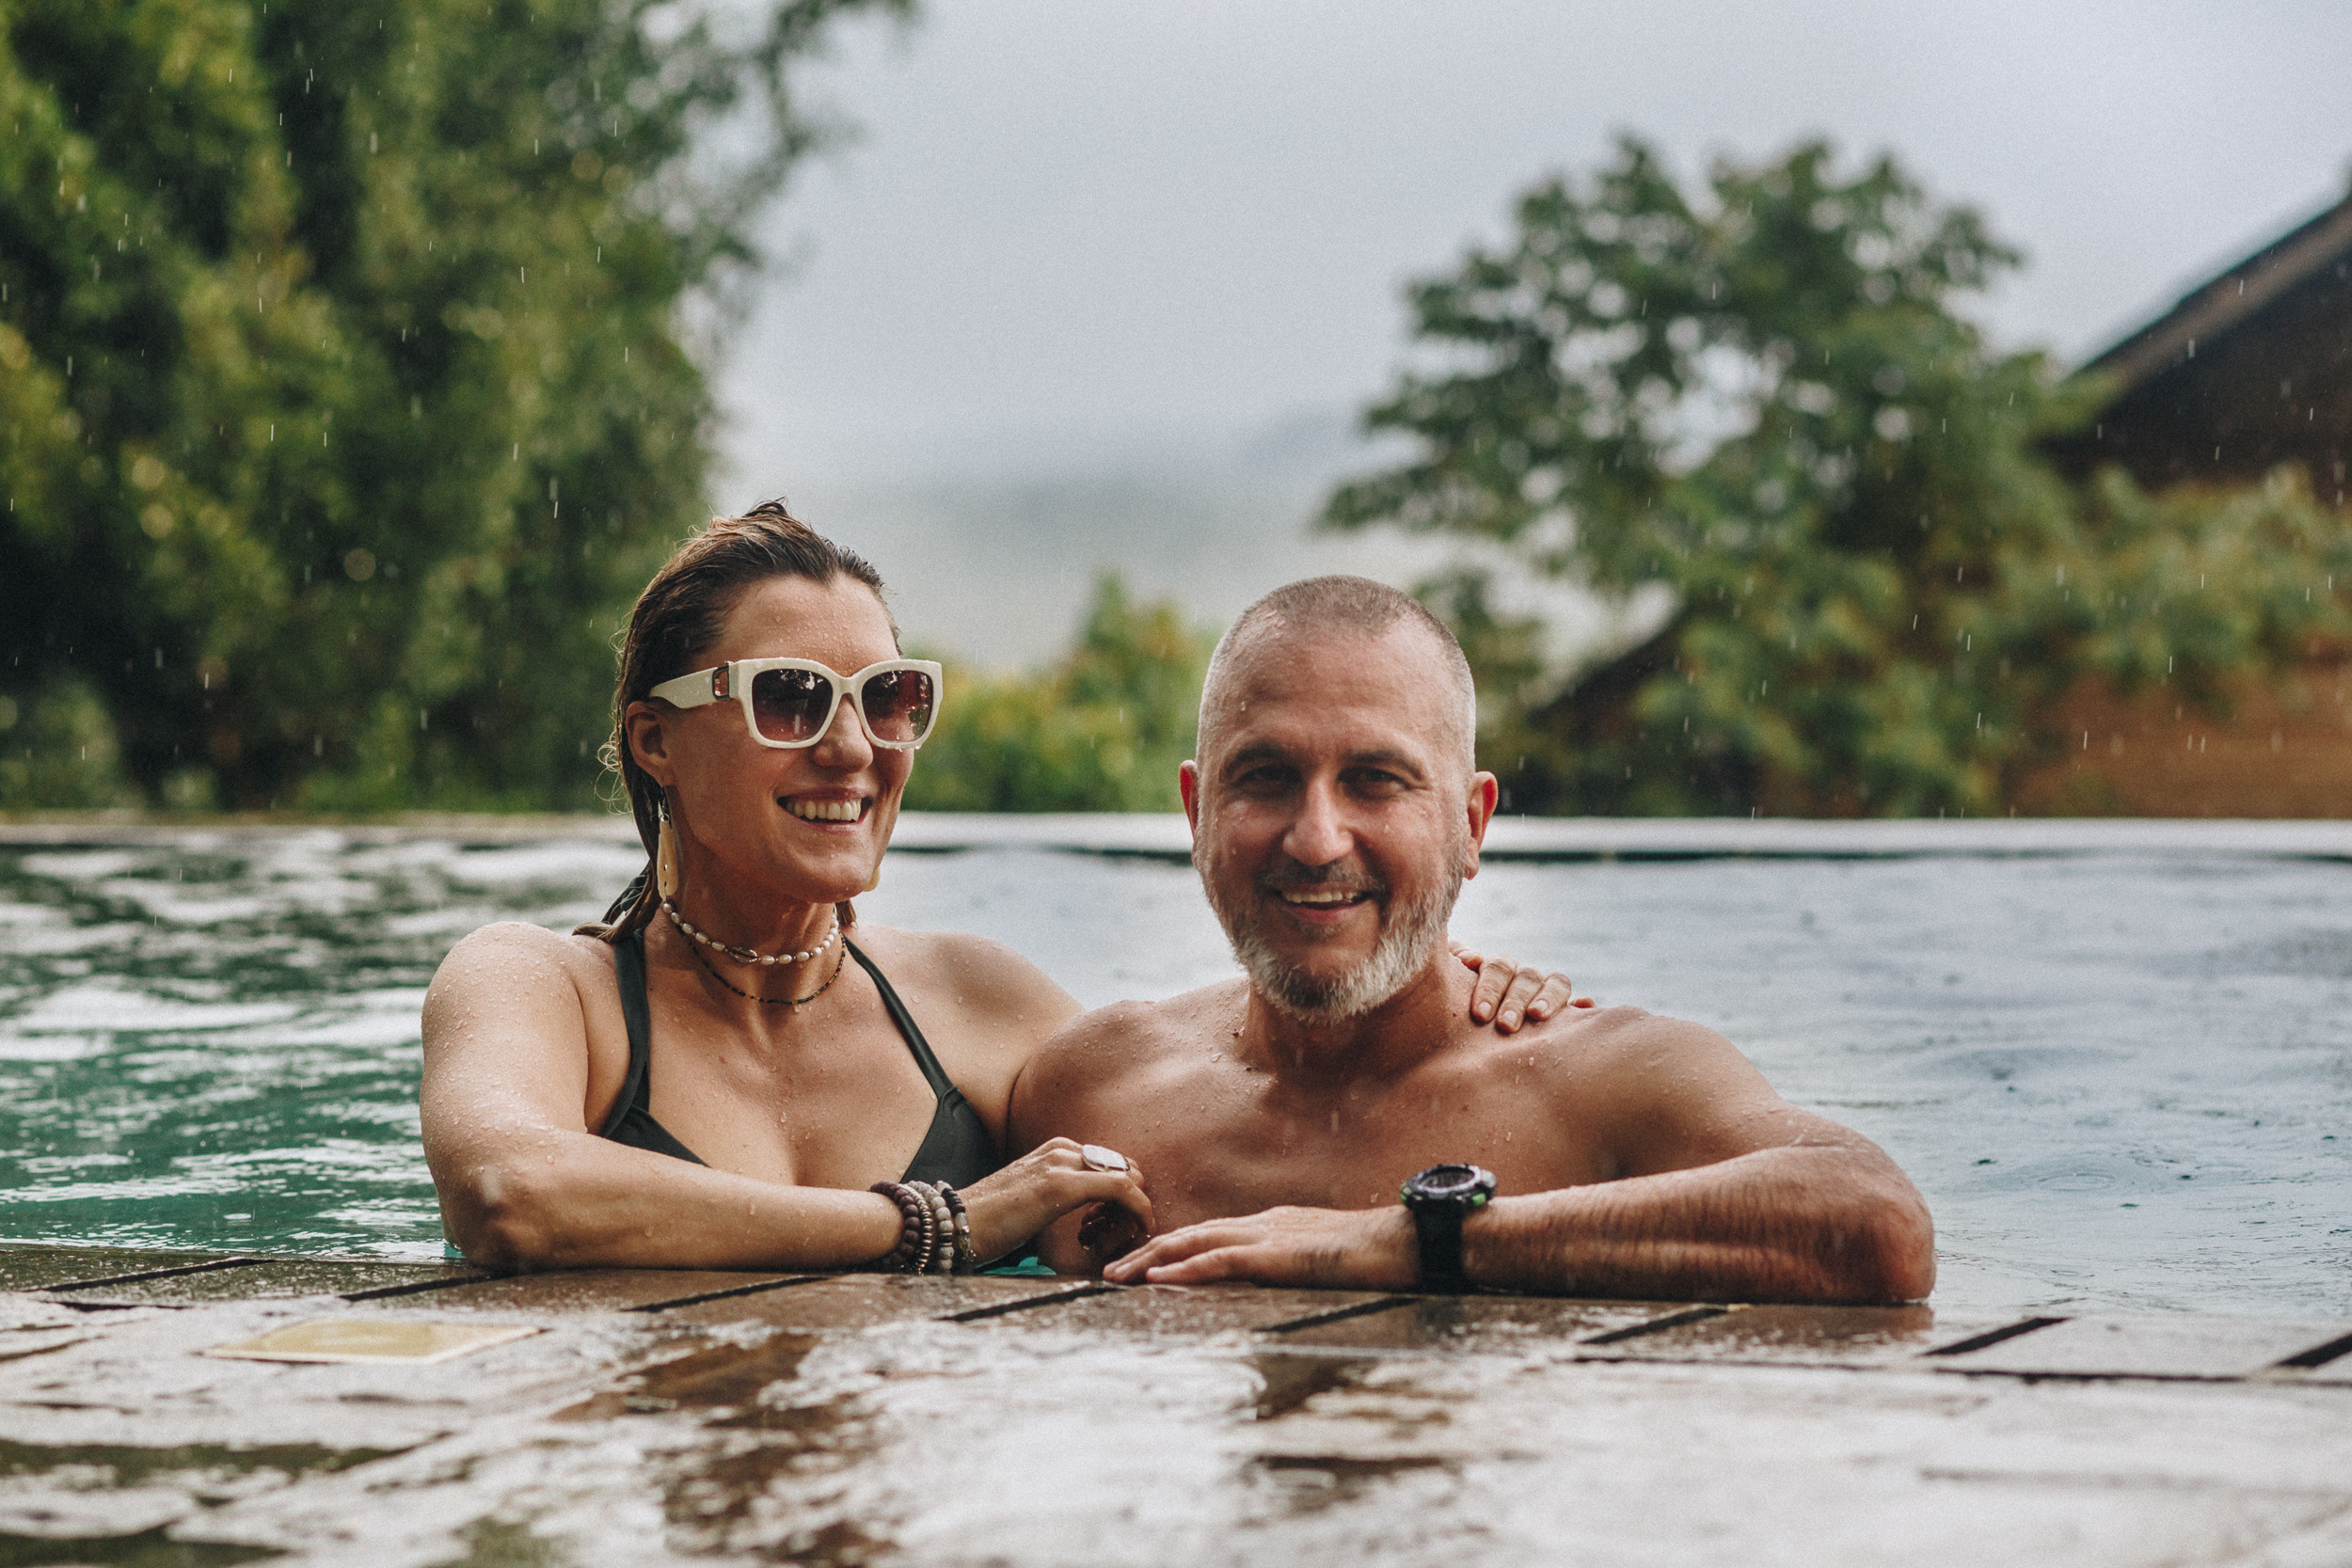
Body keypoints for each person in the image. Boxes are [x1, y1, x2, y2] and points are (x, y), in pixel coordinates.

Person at [420, 506, 1573, 1274]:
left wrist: (1436, 983)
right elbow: (513, 1191)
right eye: (786, 696)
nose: (850, 746)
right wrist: (936, 1221)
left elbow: (1241, 1102)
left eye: (886, 698)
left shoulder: (976, 1004)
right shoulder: (544, 988)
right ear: (655, 741)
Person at [1008, 575, 1937, 1303]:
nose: (1316, 837)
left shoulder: (1600, 1083)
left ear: (1471, 824)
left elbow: (1875, 1219)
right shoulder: (1093, 1087)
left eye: (1375, 779)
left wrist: (1413, 1238)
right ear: (1196, 809)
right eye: (1265, 775)